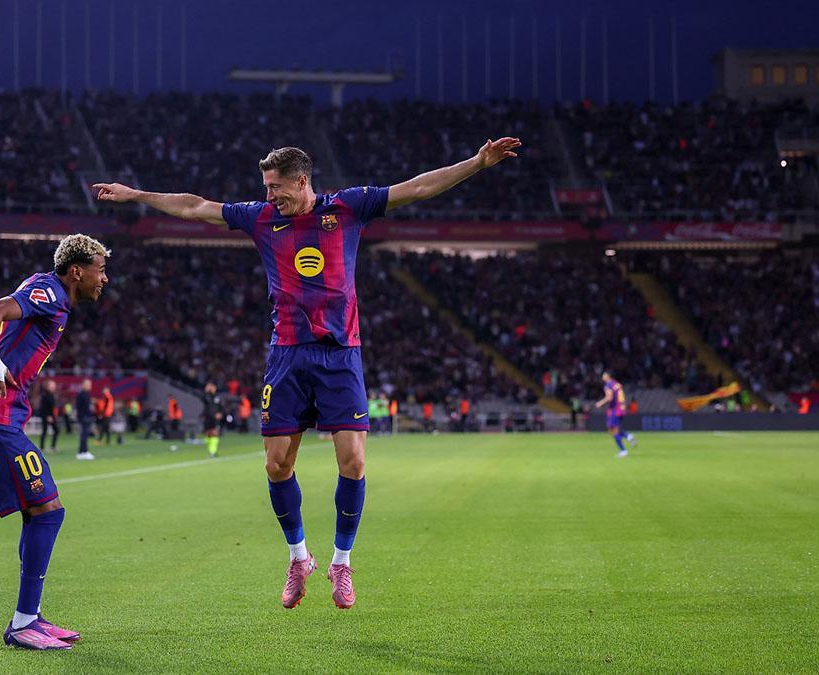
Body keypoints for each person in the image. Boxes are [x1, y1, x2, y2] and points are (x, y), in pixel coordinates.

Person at [94, 137, 521, 609]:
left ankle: (341, 562)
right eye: (265, 187)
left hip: (340, 353)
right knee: (277, 464)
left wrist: (478, 162)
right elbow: (196, 206)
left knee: (354, 462)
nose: (270, 194)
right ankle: (299, 558)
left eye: (276, 187)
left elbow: (416, 188)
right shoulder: (260, 218)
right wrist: (136, 194)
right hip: (287, 354)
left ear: (302, 180)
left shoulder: (348, 208)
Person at [0, 233, 110, 650]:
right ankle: (23, 622)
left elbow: (1, 312)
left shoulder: (46, 290)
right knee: (48, 510)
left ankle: (29, 617)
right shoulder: (52, 291)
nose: (105, 278)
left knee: (40, 511)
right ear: (77, 271)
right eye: (100, 269)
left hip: (0, 417)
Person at [595, 371, 637, 457]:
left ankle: (623, 451)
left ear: (608, 376)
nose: (603, 376)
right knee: (615, 429)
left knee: (612, 430)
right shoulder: (617, 384)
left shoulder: (608, 385)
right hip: (621, 409)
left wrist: (600, 403)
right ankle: (628, 436)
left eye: (604, 374)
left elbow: (609, 397)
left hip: (614, 410)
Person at [75, 380, 95, 460]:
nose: (89, 386)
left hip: (87, 417)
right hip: (84, 417)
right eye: (88, 384)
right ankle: (83, 451)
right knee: (84, 435)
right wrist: (82, 417)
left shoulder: (87, 394)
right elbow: (79, 407)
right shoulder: (81, 395)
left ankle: (82, 452)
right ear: (83, 385)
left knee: (85, 435)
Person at [37, 380, 59, 452]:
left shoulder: (52, 395)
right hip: (46, 416)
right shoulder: (45, 396)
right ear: (48, 387)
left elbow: (53, 406)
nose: (53, 387)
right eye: (52, 386)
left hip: (52, 416)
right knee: (44, 431)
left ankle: (53, 447)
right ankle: (42, 447)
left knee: (56, 430)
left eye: (54, 386)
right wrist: (47, 416)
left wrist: (54, 415)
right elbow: (43, 408)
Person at [202, 382, 222, 458]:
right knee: (208, 434)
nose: (212, 388)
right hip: (207, 417)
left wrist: (220, 413)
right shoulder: (207, 396)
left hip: (215, 418)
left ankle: (213, 452)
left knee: (214, 433)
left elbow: (221, 407)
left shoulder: (218, 397)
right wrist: (206, 391)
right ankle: (210, 451)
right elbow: (203, 400)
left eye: (213, 387)